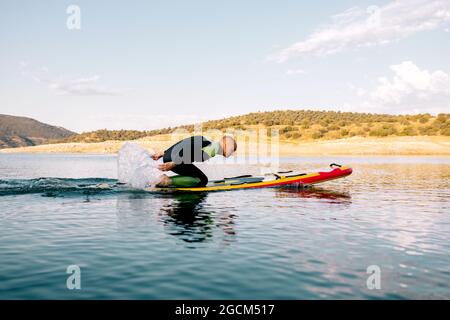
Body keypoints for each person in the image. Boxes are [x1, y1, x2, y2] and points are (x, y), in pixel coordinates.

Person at [152, 135, 237, 187]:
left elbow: (183, 143)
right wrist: (173, 163)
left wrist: (164, 153)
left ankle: (160, 180)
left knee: (198, 177)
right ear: (226, 145)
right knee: (202, 180)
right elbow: (190, 149)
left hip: (170, 156)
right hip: (176, 160)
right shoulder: (215, 148)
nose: (232, 153)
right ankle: (166, 181)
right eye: (232, 149)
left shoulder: (204, 140)